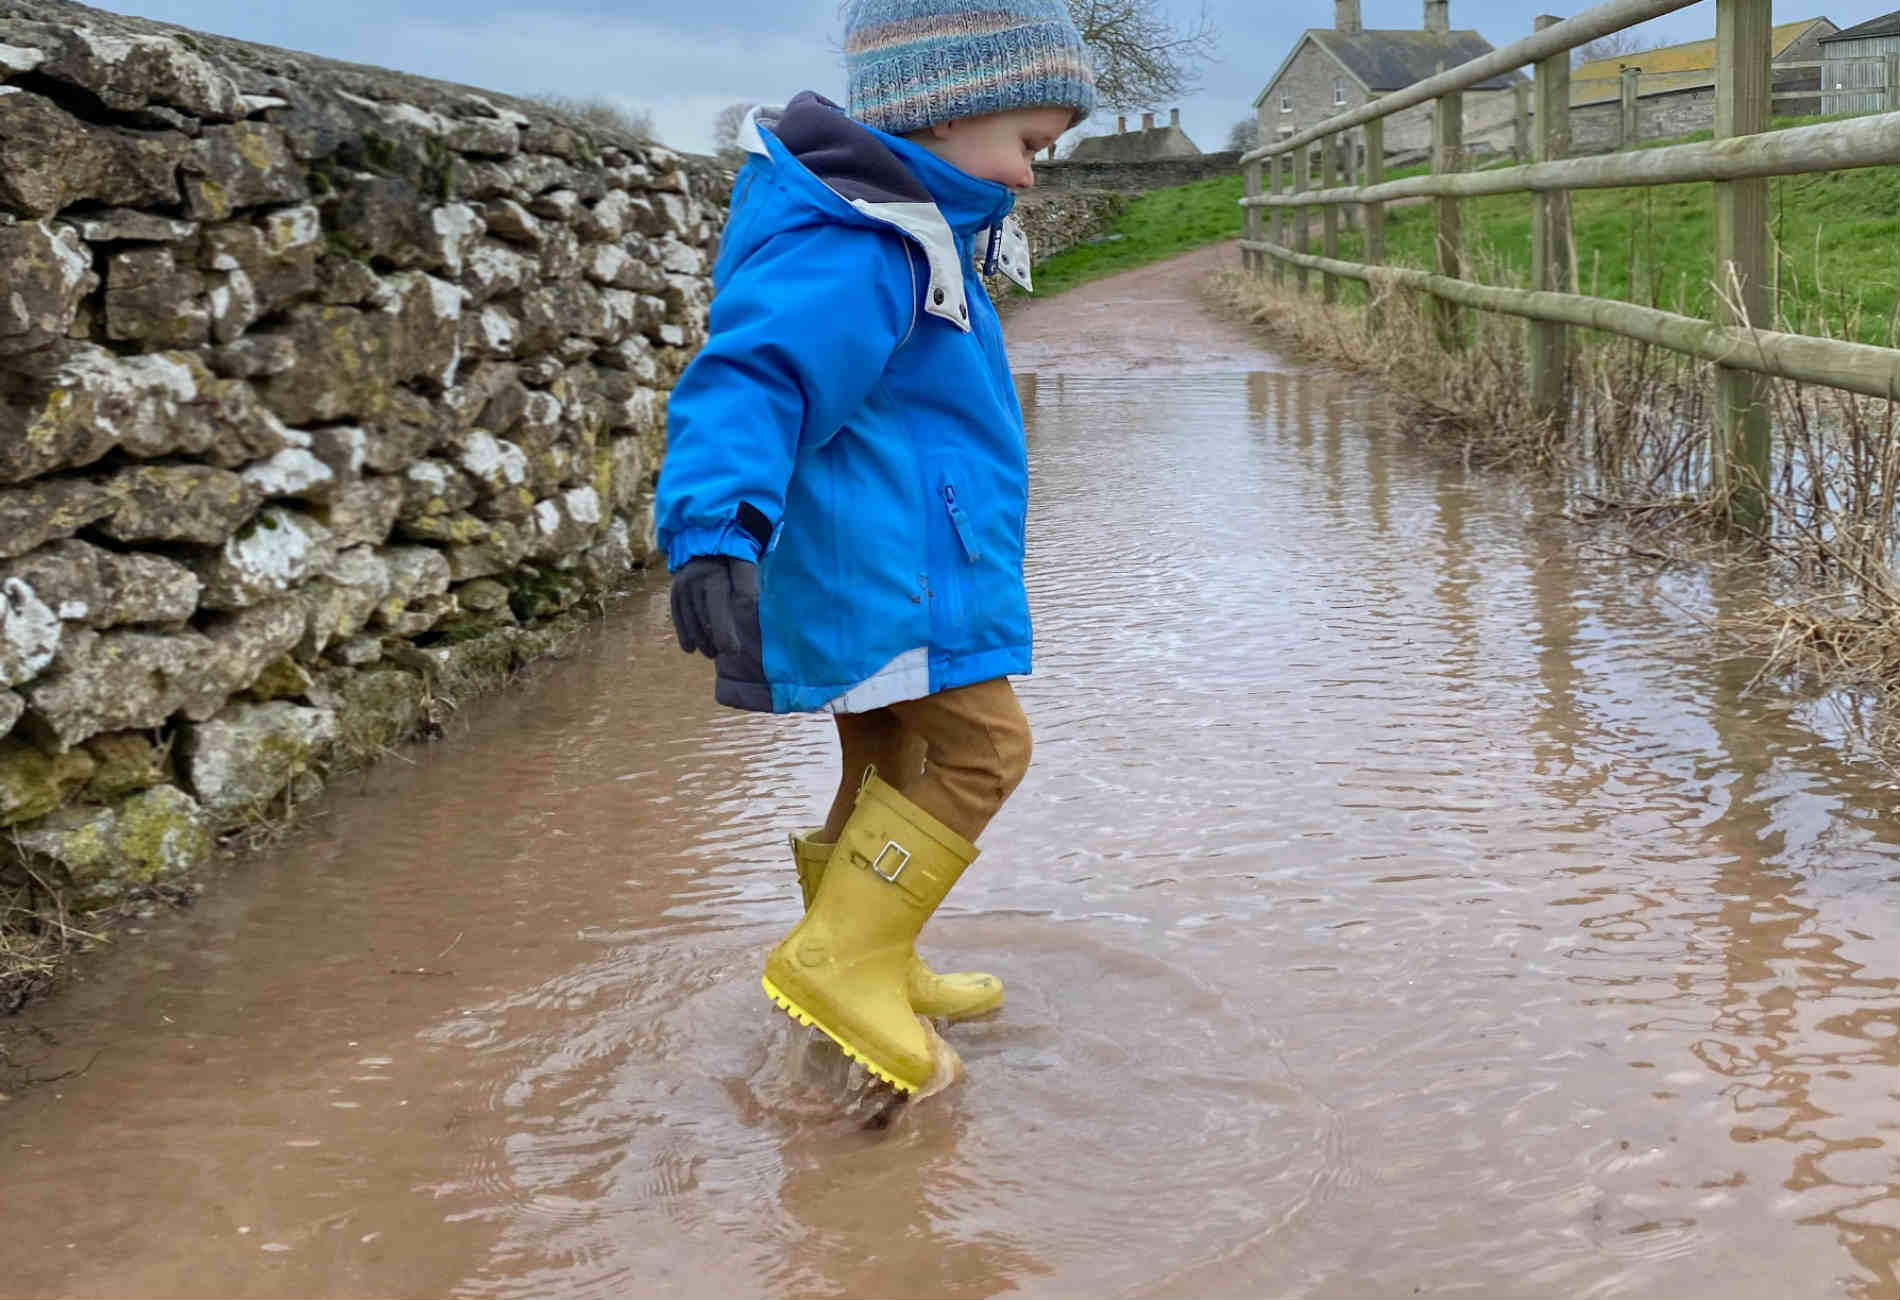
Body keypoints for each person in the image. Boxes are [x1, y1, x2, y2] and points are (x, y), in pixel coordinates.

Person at [654, 0, 1095, 1094]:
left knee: (888, 757)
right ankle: (840, 954)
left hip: (882, 561)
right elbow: (753, 374)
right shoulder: (865, 244)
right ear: (950, 109)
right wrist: (712, 526)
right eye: (1029, 147)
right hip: (889, 574)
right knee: (982, 753)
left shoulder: (906, 228)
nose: (1034, 177)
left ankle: (871, 953)